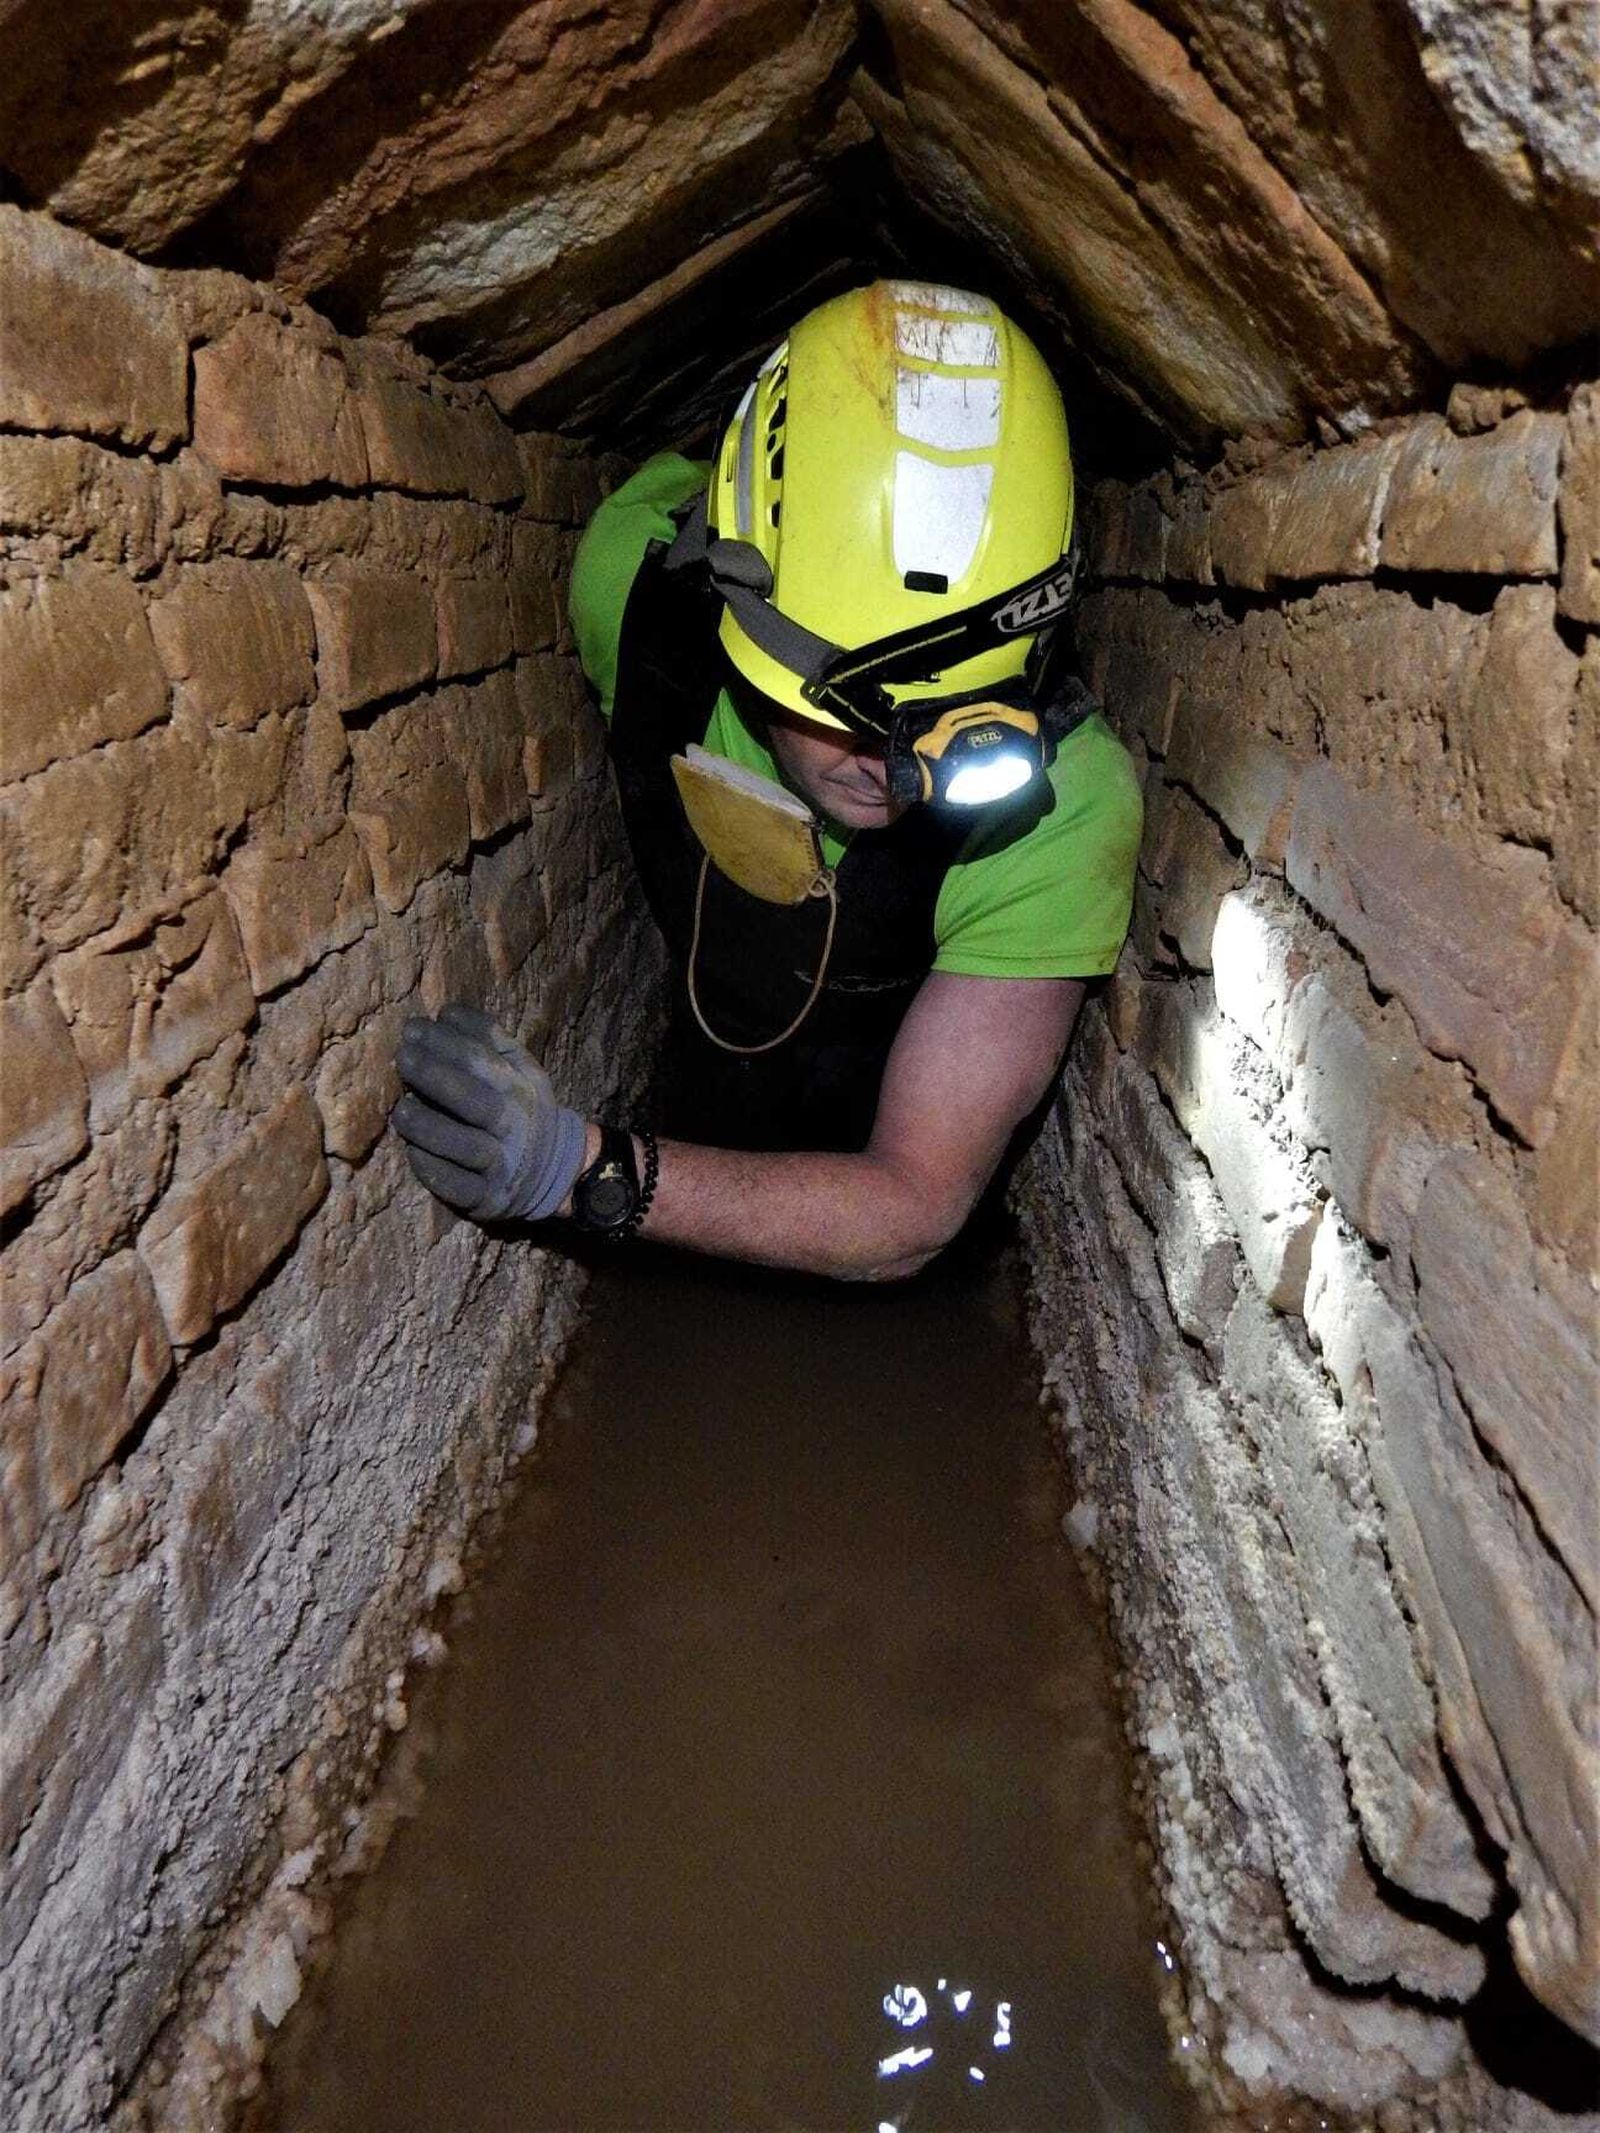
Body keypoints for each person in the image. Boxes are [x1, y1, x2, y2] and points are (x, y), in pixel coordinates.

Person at [392, 280, 1141, 1280]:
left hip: (882, 1114)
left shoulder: (1065, 812)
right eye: (843, 716)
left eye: (951, 727)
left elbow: (912, 1202)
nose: (894, 772)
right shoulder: (633, 595)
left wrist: (576, 1169)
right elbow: (664, 497)